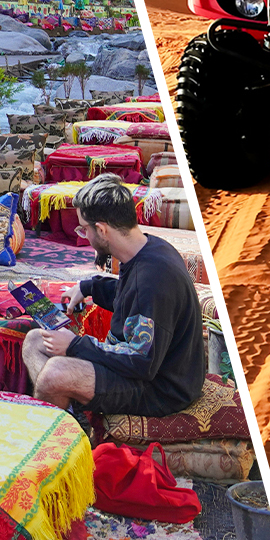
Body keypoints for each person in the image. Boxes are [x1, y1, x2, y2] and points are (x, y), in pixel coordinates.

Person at [22, 174, 206, 417]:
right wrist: (88, 287)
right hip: (142, 367)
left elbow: (141, 362)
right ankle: (67, 414)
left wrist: (76, 345)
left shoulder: (152, 279)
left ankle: (60, 437)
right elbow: (128, 295)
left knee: (55, 374)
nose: (83, 235)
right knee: (35, 341)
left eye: (84, 228)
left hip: (161, 389)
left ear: (101, 229)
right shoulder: (150, 248)